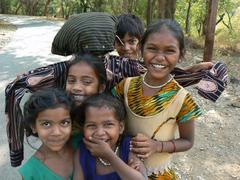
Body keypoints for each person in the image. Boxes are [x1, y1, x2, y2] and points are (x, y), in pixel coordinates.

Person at [5, 13, 226, 167]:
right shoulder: (121, 66)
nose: (78, 85)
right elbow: (160, 72)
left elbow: (158, 73)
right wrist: (190, 73)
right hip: (109, 144)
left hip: (104, 145)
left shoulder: (63, 69)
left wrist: (17, 149)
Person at [111, 19, 203, 179]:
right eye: (152, 48)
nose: (159, 57)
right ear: (141, 49)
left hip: (158, 173)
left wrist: (157, 146)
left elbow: (188, 141)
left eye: (169, 51)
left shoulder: (182, 99)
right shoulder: (125, 86)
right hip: (122, 169)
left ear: (181, 54)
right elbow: (110, 121)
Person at [73, 93, 147, 180]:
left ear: (120, 127)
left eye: (108, 124)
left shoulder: (129, 146)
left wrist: (109, 155)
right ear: (83, 128)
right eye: (91, 126)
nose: (100, 133)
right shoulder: (82, 151)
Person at [18, 88, 74, 179]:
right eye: (46, 124)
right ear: (33, 127)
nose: (56, 133)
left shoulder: (81, 144)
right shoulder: (31, 173)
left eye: (64, 122)